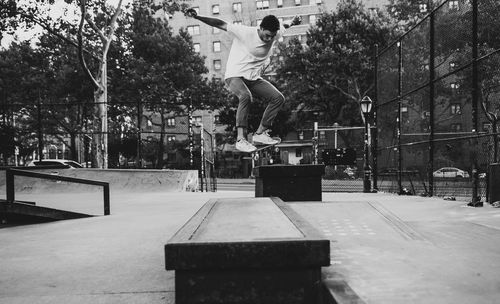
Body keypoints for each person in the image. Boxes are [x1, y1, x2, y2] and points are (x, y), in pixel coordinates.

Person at [185, 8, 301, 152]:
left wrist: (294, 22)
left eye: (271, 36)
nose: (268, 39)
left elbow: (285, 25)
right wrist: (198, 17)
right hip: (234, 75)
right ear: (261, 28)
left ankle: (260, 134)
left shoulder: (275, 34)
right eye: (266, 35)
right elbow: (220, 23)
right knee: (245, 96)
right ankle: (241, 139)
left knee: (278, 98)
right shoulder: (245, 32)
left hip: (252, 78)